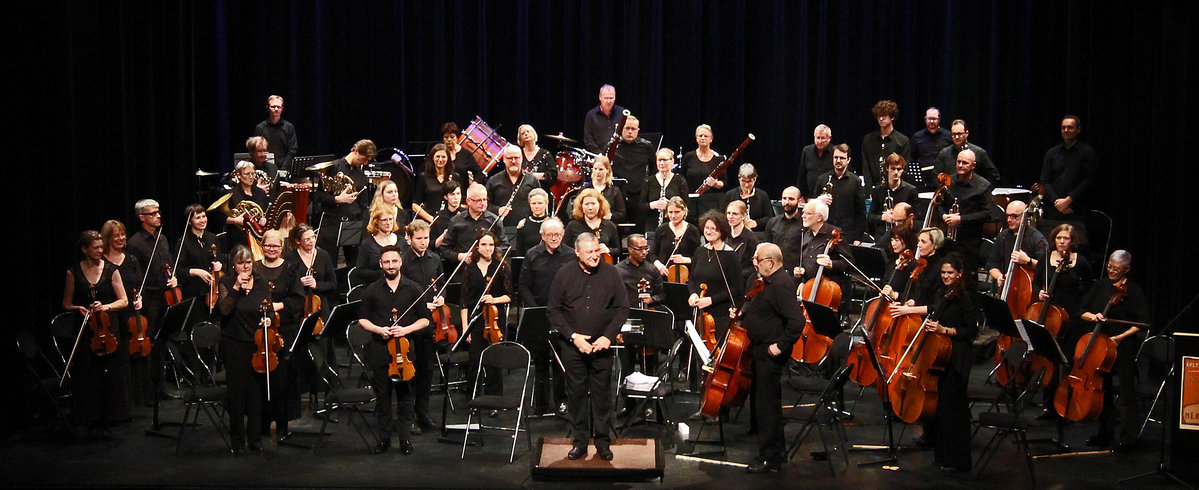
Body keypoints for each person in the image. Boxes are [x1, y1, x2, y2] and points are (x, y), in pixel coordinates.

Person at [547, 233, 630, 461]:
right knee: (576, 395)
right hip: (574, 346)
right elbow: (553, 310)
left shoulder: (611, 273)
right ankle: (580, 443)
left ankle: (603, 443)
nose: (595, 256)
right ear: (577, 253)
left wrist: (608, 337)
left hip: (602, 345)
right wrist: (574, 337)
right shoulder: (564, 274)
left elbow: (622, 308)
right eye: (589, 252)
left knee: (602, 396)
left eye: (596, 251)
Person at [357, 245, 430, 455]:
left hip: (405, 349)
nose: (391, 265)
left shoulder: (414, 288)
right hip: (380, 349)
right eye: (387, 262)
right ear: (381, 264)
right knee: (383, 395)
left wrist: (406, 329)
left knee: (405, 396)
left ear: (401, 262)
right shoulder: (371, 290)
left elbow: (425, 319)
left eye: (394, 261)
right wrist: (379, 330)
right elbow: (362, 319)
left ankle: (405, 439)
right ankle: (384, 439)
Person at [741, 243, 805, 473]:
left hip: (770, 353)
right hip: (758, 349)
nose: (754, 263)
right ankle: (774, 452)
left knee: (767, 406)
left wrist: (781, 345)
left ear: (770, 262)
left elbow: (797, 321)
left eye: (757, 259)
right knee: (763, 403)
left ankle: (770, 457)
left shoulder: (781, 285)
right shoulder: (766, 282)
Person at [1077, 250, 1148, 451]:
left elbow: (1142, 323)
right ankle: (1104, 433)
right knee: (1103, 390)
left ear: (1127, 269)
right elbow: (1082, 311)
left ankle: (1129, 438)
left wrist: (1120, 337)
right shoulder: (1100, 285)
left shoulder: (1133, 291)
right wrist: (1093, 316)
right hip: (1100, 345)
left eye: (1116, 269)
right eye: (1109, 266)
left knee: (1126, 392)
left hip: (1123, 347)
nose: (1111, 271)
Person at [62, 230, 132, 430]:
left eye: (102, 247)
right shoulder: (73, 272)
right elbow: (66, 303)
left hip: (109, 326)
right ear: (85, 250)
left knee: (113, 370)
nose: (101, 251)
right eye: (96, 248)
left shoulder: (111, 270)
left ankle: (115, 413)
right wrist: (78, 308)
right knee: (86, 370)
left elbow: (124, 300)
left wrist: (106, 306)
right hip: (86, 329)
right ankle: (88, 414)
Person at [919, 253, 979, 473]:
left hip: (957, 357)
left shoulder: (964, 297)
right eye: (943, 272)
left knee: (954, 409)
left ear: (960, 274)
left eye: (950, 273)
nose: (945, 276)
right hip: (940, 355)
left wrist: (945, 330)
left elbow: (971, 331)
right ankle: (942, 455)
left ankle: (958, 460)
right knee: (941, 409)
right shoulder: (941, 293)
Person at [215, 246, 270, 453]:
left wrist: (268, 319)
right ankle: (237, 441)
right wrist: (237, 287)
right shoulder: (226, 282)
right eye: (240, 263)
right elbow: (224, 309)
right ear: (233, 265)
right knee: (236, 394)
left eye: (248, 263)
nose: (245, 267)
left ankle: (255, 439)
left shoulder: (261, 282)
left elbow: (269, 308)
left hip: (256, 344)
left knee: (256, 394)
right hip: (234, 344)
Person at [125, 199, 177, 403]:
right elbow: (136, 275)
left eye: (158, 212)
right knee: (149, 344)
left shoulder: (162, 238)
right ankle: (146, 392)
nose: (158, 216)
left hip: (166, 296)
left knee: (162, 343)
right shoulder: (135, 243)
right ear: (142, 217)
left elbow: (168, 263)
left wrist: (173, 277)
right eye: (153, 213)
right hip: (149, 299)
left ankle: (161, 387)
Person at [253, 229, 303, 441]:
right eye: (267, 245)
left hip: (284, 331)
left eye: (275, 246)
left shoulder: (290, 269)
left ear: (281, 248)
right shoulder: (255, 268)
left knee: (284, 378)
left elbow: (298, 300)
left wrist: (278, 306)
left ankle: (283, 423)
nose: (271, 249)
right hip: (260, 332)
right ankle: (262, 422)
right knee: (261, 378)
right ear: (262, 246)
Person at [401, 220, 445, 433]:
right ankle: (408, 416)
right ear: (409, 239)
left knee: (427, 369)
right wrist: (421, 304)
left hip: (430, 322)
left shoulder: (434, 259)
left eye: (426, 238)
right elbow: (401, 292)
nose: (424, 242)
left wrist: (441, 297)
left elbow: (441, 284)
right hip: (410, 322)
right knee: (411, 370)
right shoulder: (402, 261)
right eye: (419, 239)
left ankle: (423, 412)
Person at [101, 220, 149, 404]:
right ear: (107, 238)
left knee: (135, 355)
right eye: (116, 235)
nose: (121, 238)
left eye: (122, 234)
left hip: (131, 313)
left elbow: (140, 284)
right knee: (118, 357)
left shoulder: (131, 260)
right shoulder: (102, 262)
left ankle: (137, 396)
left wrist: (140, 298)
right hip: (112, 315)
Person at [460, 231, 511, 400]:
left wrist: (494, 299)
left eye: (491, 245)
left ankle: (494, 400)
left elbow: (510, 296)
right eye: (484, 244)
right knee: (475, 361)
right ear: (477, 246)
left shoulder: (501, 266)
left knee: (494, 362)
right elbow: (464, 302)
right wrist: (465, 327)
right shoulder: (469, 269)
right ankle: (473, 399)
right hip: (476, 320)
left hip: (495, 320)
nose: (488, 248)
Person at [311, 139, 374, 266]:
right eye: (364, 159)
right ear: (356, 151)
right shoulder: (333, 168)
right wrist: (337, 199)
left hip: (352, 222)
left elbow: (363, 205)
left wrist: (363, 228)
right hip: (331, 222)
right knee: (329, 262)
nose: (365, 163)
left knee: (353, 263)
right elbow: (318, 196)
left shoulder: (361, 175)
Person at [687, 211, 745, 343]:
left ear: (721, 231)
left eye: (713, 229)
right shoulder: (700, 251)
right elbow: (692, 279)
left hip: (720, 315)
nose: (709, 231)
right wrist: (693, 294)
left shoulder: (730, 256)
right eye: (707, 228)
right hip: (698, 313)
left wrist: (711, 300)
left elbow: (737, 289)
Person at [939, 148, 1002, 268]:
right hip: (949, 238)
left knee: (967, 274)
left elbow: (988, 213)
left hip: (970, 241)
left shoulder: (983, 185)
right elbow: (939, 204)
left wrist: (961, 219)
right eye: (958, 162)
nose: (960, 165)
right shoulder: (948, 181)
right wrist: (943, 215)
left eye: (965, 163)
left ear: (973, 165)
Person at [797, 200, 854, 314]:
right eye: (803, 213)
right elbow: (804, 261)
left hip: (828, 291)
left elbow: (850, 262)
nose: (803, 216)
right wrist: (802, 279)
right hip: (809, 287)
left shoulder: (834, 234)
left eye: (807, 213)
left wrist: (831, 264)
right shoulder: (806, 234)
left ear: (819, 217)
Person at [1040, 115, 1097, 222]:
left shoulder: (1087, 153)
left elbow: (1088, 180)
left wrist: (1069, 200)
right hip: (1054, 209)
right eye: (1063, 127)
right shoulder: (1052, 153)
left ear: (1078, 130)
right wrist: (1057, 201)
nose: (1066, 130)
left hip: (1077, 209)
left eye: (1070, 127)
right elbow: (1045, 181)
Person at [175, 204, 225, 318]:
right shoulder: (183, 242)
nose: (202, 220)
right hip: (194, 291)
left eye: (204, 216)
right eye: (198, 218)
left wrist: (219, 265)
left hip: (213, 291)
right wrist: (197, 272)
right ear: (189, 222)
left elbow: (221, 261)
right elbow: (179, 270)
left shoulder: (213, 238)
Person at [987, 201, 1048, 288]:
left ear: (1025, 216)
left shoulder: (1037, 238)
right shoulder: (1003, 236)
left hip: (1028, 287)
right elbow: (992, 263)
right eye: (1007, 216)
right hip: (1007, 286)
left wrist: (1028, 261)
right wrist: (999, 276)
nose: (1008, 220)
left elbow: (1046, 267)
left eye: (1014, 216)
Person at [285, 224, 337, 326]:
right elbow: (285, 285)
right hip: (299, 306)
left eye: (313, 237)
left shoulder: (323, 255)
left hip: (320, 305)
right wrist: (298, 283)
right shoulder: (289, 258)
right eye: (307, 239)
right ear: (298, 241)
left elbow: (333, 284)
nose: (312, 241)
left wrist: (316, 285)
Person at [815, 144, 866, 244]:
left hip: (847, 232)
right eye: (836, 157)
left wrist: (858, 238)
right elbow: (812, 206)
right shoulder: (822, 179)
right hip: (825, 229)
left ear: (848, 160)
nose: (838, 160)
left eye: (842, 158)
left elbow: (860, 212)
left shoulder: (856, 181)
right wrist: (819, 200)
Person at [438, 183, 502, 264]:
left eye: (485, 199)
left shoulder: (494, 220)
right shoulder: (455, 221)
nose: (483, 203)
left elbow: (504, 246)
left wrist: (490, 252)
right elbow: (445, 249)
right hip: (463, 267)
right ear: (468, 201)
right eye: (478, 200)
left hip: (488, 266)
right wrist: (460, 256)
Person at [519, 218, 574, 308]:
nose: (554, 238)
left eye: (557, 234)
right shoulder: (532, 254)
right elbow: (524, 285)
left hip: (565, 309)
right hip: (538, 307)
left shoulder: (571, 255)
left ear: (563, 234)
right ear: (543, 236)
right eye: (549, 235)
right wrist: (533, 308)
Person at [611, 115, 655, 227]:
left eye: (633, 129)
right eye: (627, 128)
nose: (630, 131)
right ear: (621, 129)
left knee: (639, 228)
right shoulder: (613, 146)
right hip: (618, 194)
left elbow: (654, 168)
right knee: (618, 228)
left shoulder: (646, 146)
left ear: (638, 130)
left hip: (639, 194)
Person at [931, 119, 1001, 185]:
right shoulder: (944, 153)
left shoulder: (979, 152)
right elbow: (935, 177)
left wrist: (982, 190)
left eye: (959, 134)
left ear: (966, 133)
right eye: (954, 134)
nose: (957, 137)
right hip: (950, 192)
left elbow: (994, 177)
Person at [867, 153, 920, 240]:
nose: (896, 172)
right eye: (893, 168)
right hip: (882, 237)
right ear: (887, 168)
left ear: (902, 170)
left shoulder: (911, 190)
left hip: (902, 236)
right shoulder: (878, 190)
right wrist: (882, 217)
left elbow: (917, 219)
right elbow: (870, 217)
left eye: (899, 169)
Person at [860, 100, 911, 189]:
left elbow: (904, 168)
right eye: (879, 116)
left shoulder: (902, 141)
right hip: (874, 187)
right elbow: (866, 166)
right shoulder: (868, 139)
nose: (881, 119)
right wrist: (869, 189)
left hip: (894, 187)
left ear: (892, 117)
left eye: (884, 116)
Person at [681, 124, 728, 218]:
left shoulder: (718, 158)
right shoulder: (688, 157)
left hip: (712, 202)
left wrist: (715, 183)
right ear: (696, 138)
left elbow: (724, 182)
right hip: (691, 201)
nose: (702, 138)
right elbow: (682, 178)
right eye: (700, 136)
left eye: (706, 136)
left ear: (711, 139)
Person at [487, 145, 540, 226]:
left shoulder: (532, 180)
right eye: (510, 158)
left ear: (522, 158)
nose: (513, 161)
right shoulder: (493, 181)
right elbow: (485, 205)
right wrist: (497, 210)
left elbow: (540, 204)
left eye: (516, 158)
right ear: (504, 159)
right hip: (500, 228)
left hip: (526, 228)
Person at [225, 160, 271, 251]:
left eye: (253, 174)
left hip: (258, 236)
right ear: (239, 175)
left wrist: (264, 219)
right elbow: (218, 217)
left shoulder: (260, 193)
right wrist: (235, 220)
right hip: (239, 238)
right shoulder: (231, 194)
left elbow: (267, 212)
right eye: (247, 174)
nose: (251, 177)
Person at [651, 197, 701, 277]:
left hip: (686, 276)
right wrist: (659, 266)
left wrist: (685, 260)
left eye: (677, 212)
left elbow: (698, 257)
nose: (673, 216)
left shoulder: (693, 230)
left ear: (684, 211)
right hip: (663, 276)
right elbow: (652, 254)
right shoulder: (661, 229)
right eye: (670, 212)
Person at [763, 187, 806, 279]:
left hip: (795, 275)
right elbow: (766, 247)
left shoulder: (805, 224)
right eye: (784, 198)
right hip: (773, 273)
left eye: (791, 199)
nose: (787, 202)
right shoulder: (772, 222)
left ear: (799, 202)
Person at [564, 188, 620, 256]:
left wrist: (609, 250)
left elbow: (617, 250)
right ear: (581, 206)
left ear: (600, 205)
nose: (590, 208)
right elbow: (564, 250)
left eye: (593, 204)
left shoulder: (610, 226)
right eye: (586, 204)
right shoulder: (572, 226)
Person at [644, 148, 689, 230]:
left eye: (664, 160)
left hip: (675, 225)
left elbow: (686, 205)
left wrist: (670, 206)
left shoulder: (680, 180)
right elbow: (641, 205)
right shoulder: (648, 181)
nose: (661, 163)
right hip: (652, 225)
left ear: (672, 161)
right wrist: (651, 205)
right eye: (659, 160)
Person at [354, 207, 401, 285]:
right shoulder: (367, 244)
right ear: (376, 222)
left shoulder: (402, 241)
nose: (388, 223)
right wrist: (383, 274)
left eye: (390, 219)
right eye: (384, 220)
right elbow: (360, 271)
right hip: (376, 286)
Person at [413, 143, 458, 223]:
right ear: (432, 158)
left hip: (450, 221)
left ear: (448, 158)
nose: (440, 160)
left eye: (443, 157)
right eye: (437, 156)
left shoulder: (455, 177)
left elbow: (462, 202)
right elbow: (415, 205)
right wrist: (432, 219)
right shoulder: (424, 177)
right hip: (429, 221)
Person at [616, 234, 664, 308]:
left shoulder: (653, 270)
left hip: (648, 312)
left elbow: (661, 295)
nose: (644, 252)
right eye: (640, 249)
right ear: (630, 249)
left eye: (646, 248)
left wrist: (652, 299)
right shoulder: (617, 271)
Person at [254, 95, 298, 175]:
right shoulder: (260, 128)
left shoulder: (289, 127)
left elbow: (293, 150)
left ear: (282, 108)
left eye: (279, 107)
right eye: (273, 106)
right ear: (268, 108)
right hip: (266, 170)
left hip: (285, 169)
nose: (276, 109)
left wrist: (283, 169)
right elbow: (257, 151)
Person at [722, 163, 773, 231]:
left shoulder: (762, 195)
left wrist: (756, 223)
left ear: (755, 179)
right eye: (743, 181)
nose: (746, 185)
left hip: (757, 233)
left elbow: (769, 218)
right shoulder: (730, 195)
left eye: (749, 181)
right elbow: (723, 217)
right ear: (739, 178)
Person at [911, 107, 952, 181]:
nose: (932, 121)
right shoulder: (917, 137)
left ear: (939, 119)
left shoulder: (948, 136)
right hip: (923, 178)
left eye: (934, 119)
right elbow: (913, 158)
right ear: (925, 119)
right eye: (929, 119)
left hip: (943, 178)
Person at [583, 84, 626, 154]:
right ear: (600, 97)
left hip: (619, 156)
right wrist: (600, 155)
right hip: (598, 156)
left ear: (615, 97)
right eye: (606, 98)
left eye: (611, 98)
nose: (608, 101)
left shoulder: (622, 113)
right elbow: (588, 139)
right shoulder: (591, 115)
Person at [725, 200, 761, 280]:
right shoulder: (724, 237)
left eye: (735, 214)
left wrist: (736, 273)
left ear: (744, 216)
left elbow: (753, 267)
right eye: (728, 213)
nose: (730, 216)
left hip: (744, 281)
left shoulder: (751, 239)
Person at [797, 124, 834, 199]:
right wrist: (801, 196)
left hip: (829, 198)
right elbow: (802, 176)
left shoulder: (835, 152)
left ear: (829, 138)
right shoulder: (807, 151)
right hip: (810, 197)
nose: (819, 141)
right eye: (817, 138)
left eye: (823, 138)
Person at [587, 156, 627, 224]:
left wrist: (610, 216)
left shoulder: (614, 191)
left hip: (607, 226)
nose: (597, 172)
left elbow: (622, 213)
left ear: (607, 170)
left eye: (601, 169)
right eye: (595, 168)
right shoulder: (585, 189)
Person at [513, 188, 552, 257]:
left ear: (546, 204)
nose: (536, 206)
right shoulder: (523, 224)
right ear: (529, 204)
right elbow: (519, 250)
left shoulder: (552, 224)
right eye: (533, 203)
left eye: (540, 203)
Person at [431, 180, 463, 248]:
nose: (456, 197)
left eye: (458, 193)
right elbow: (432, 244)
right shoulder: (439, 217)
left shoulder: (466, 214)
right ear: (445, 197)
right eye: (452, 194)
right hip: (442, 251)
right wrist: (444, 235)